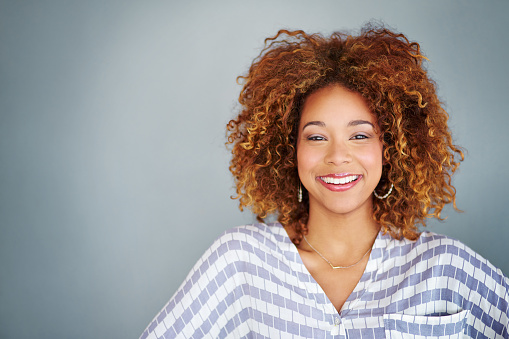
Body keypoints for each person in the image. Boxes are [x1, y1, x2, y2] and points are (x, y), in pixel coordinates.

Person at [141, 24, 509, 338]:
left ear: (391, 147)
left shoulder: (446, 268)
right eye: (316, 137)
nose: (337, 156)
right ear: (290, 150)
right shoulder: (241, 263)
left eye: (360, 135)